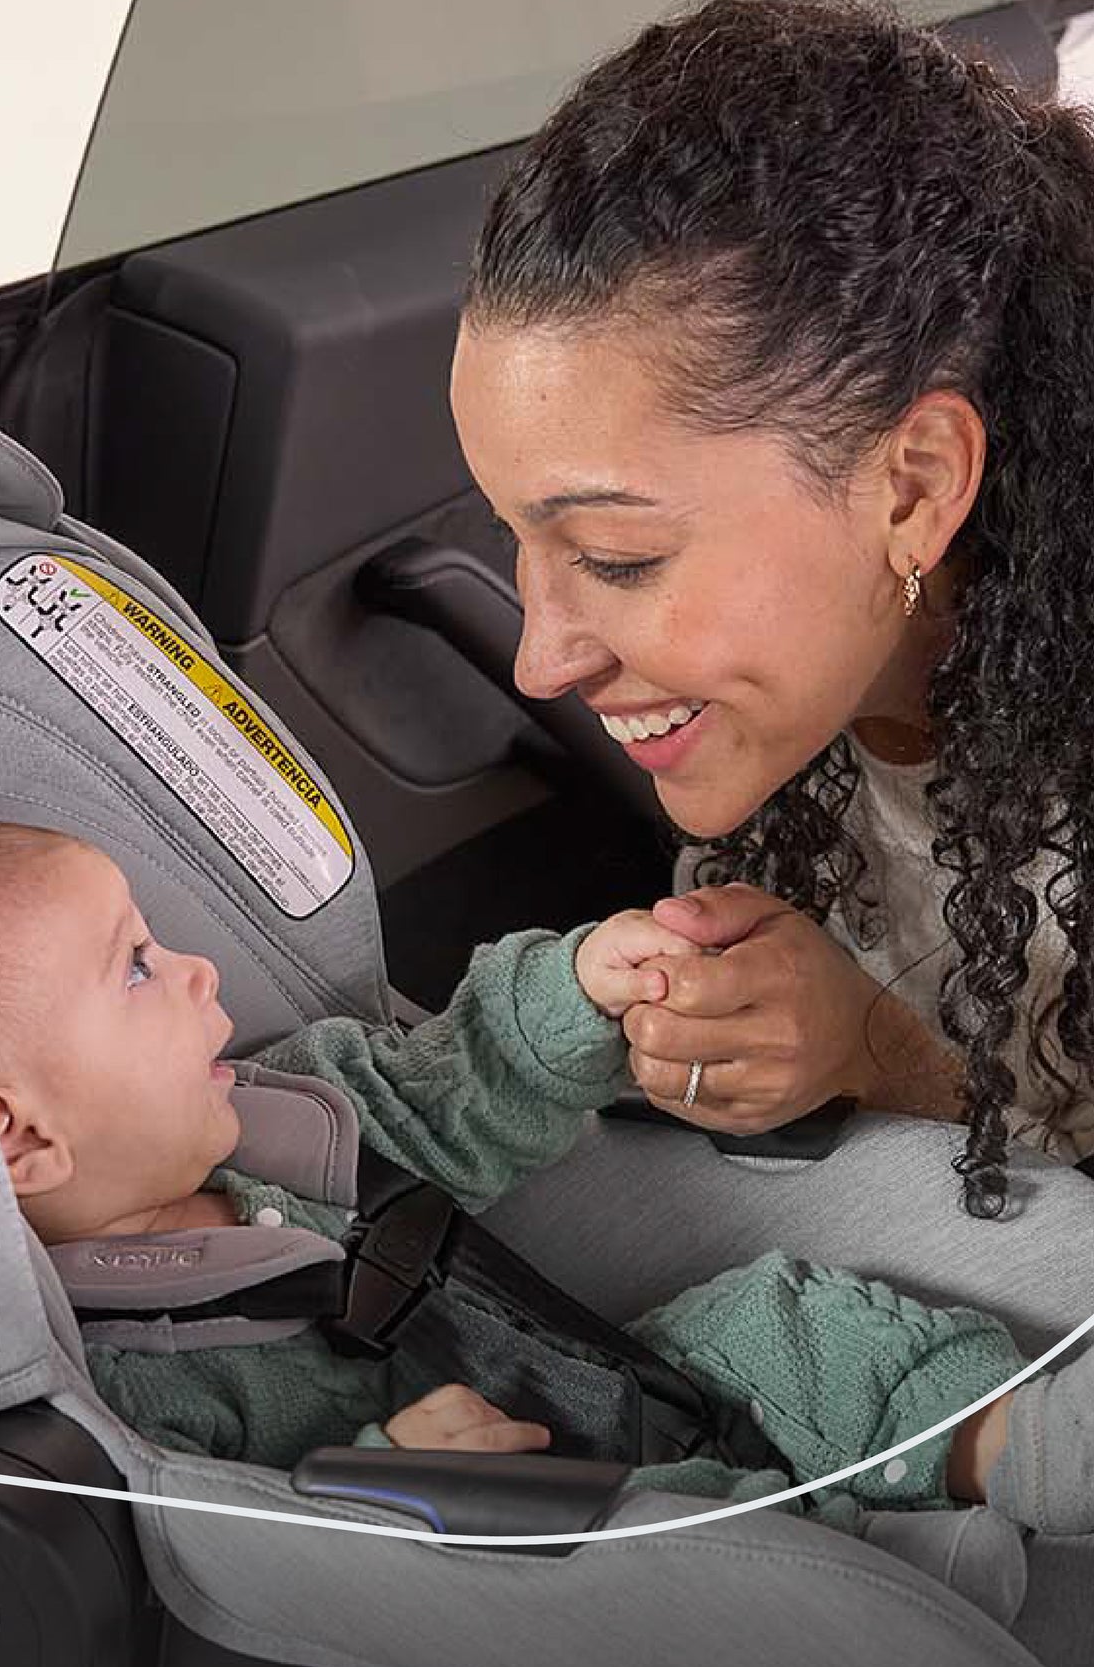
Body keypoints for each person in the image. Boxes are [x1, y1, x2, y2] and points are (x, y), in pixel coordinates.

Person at [0, 822, 1089, 1547]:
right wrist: (381, 1478)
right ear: (20, 1138)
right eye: (136, 966)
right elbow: (242, 1556)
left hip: (613, 1383)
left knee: (780, 1320)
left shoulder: (286, 1116)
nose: (197, 970)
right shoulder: (121, 1387)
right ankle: (892, 1563)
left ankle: (1012, 1451)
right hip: (548, 1537)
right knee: (678, 1540)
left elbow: (454, 1081)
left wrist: (577, 988)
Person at [451, 0, 1094, 1212]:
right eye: (518, 538)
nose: (541, 661)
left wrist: (879, 1058)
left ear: (913, 488)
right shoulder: (796, 733)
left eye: (617, 556)